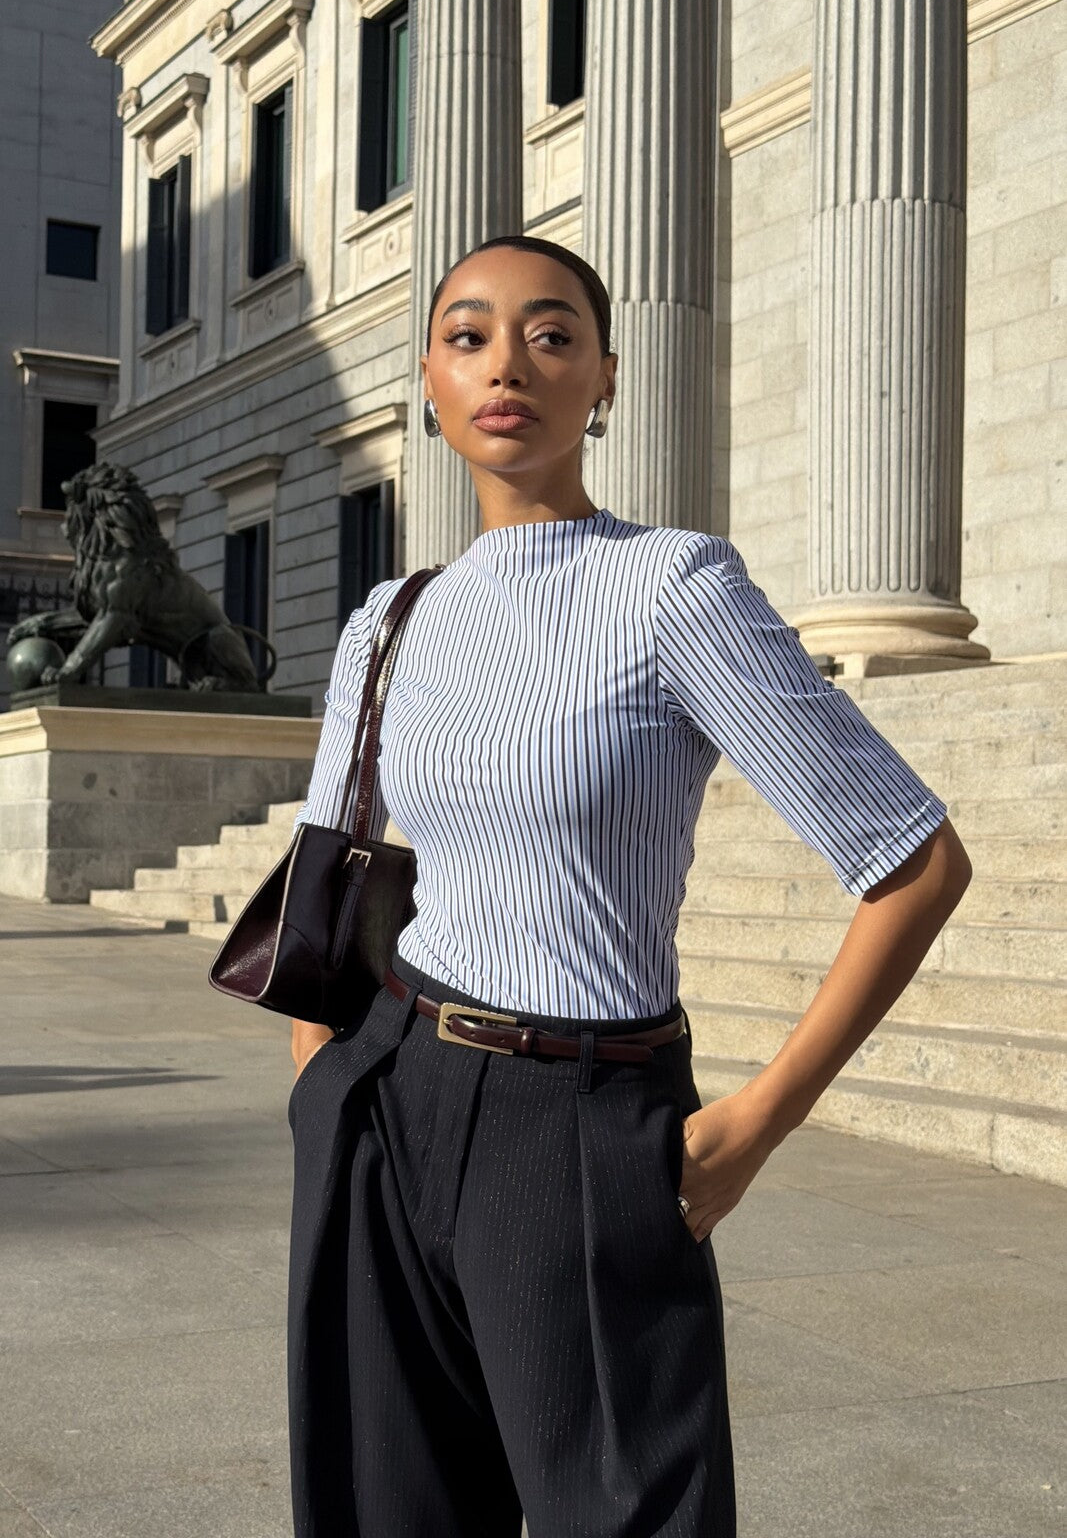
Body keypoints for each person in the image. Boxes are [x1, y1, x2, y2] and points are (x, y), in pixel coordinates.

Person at [284, 236, 973, 1538]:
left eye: (552, 335)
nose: (509, 365)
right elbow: (333, 866)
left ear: (604, 378)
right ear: (430, 379)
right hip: (387, 1101)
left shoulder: (674, 589)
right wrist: (323, 1086)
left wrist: (758, 1122)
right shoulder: (389, 620)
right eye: (469, 334)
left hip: (580, 1121)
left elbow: (916, 861)